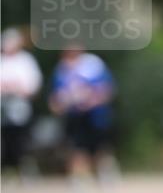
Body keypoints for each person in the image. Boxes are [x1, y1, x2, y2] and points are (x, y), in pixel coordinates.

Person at [48, 47, 117, 181]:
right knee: (77, 149)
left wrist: (93, 100)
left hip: (96, 115)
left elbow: (108, 89)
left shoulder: (93, 64)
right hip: (75, 116)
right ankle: (79, 180)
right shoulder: (62, 70)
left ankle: (105, 176)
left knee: (100, 148)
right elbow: (55, 99)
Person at [0, 28, 43, 177]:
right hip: (3, 107)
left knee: (21, 139)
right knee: (5, 139)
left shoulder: (26, 60)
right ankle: (7, 169)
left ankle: (24, 168)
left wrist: (18, 89)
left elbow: (33, 84)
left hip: (20, 106)